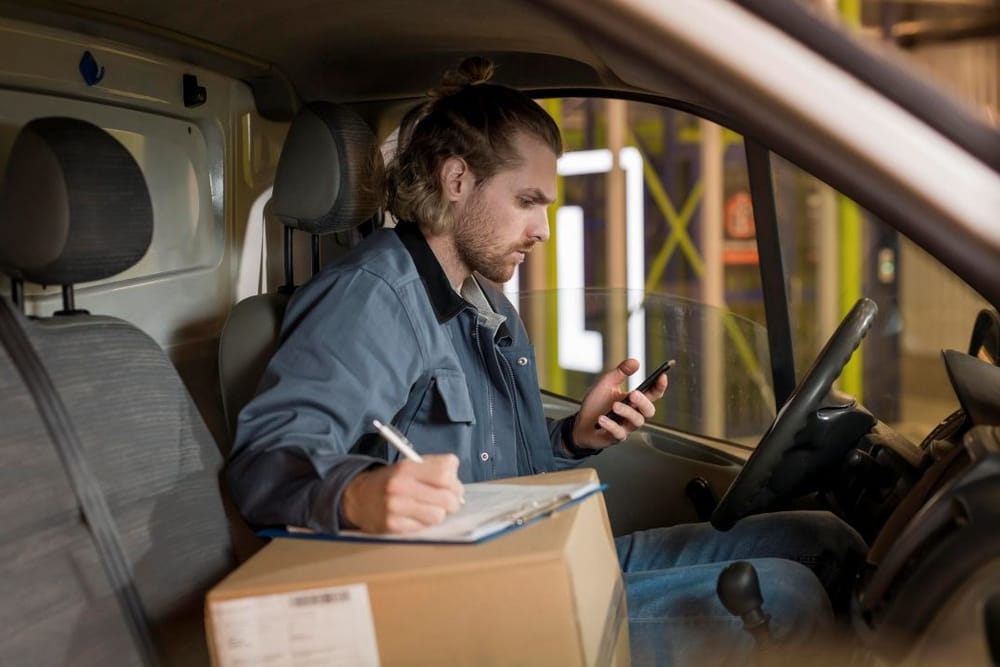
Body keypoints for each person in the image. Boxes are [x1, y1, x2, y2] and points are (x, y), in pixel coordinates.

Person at [228, 57, 866, 666]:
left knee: (825, 542)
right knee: (787, 600)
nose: (543, 229)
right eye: (528, 201)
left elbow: (508, 478)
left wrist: (571, 438)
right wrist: (358, 495)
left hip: (535, 550)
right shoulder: (373, 298)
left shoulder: (486, 303)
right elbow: (264, 464)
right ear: (458, 182)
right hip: (466, 603)